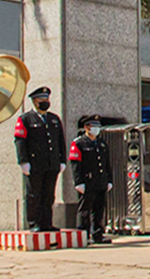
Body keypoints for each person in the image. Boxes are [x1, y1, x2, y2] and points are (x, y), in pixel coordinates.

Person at [12, 87, 65, 232]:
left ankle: (47, 223)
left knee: (48, 195)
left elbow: (60, 140)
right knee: (34, 195)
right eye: (42, 99)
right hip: (35, 164)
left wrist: (62, 160)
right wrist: (23, 161)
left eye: (47, 99)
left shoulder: (54, 119)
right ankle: (34, 223)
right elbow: (20, 141)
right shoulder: (25, 119)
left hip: (51, 163)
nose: (45, 102)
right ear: (35, 101)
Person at [67, 115, 113, 243]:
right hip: (87, 182)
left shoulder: (101, 143)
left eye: (98, 126)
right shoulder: (79, 143)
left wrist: (109, 180)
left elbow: (107, 164)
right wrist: (78, 182)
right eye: (93, 126)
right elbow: (76, 165)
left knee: (99, 209)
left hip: (100, 181)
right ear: (86, 127)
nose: (96, 129)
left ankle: (97, 234)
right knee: (85, 210)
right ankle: (83, 235)